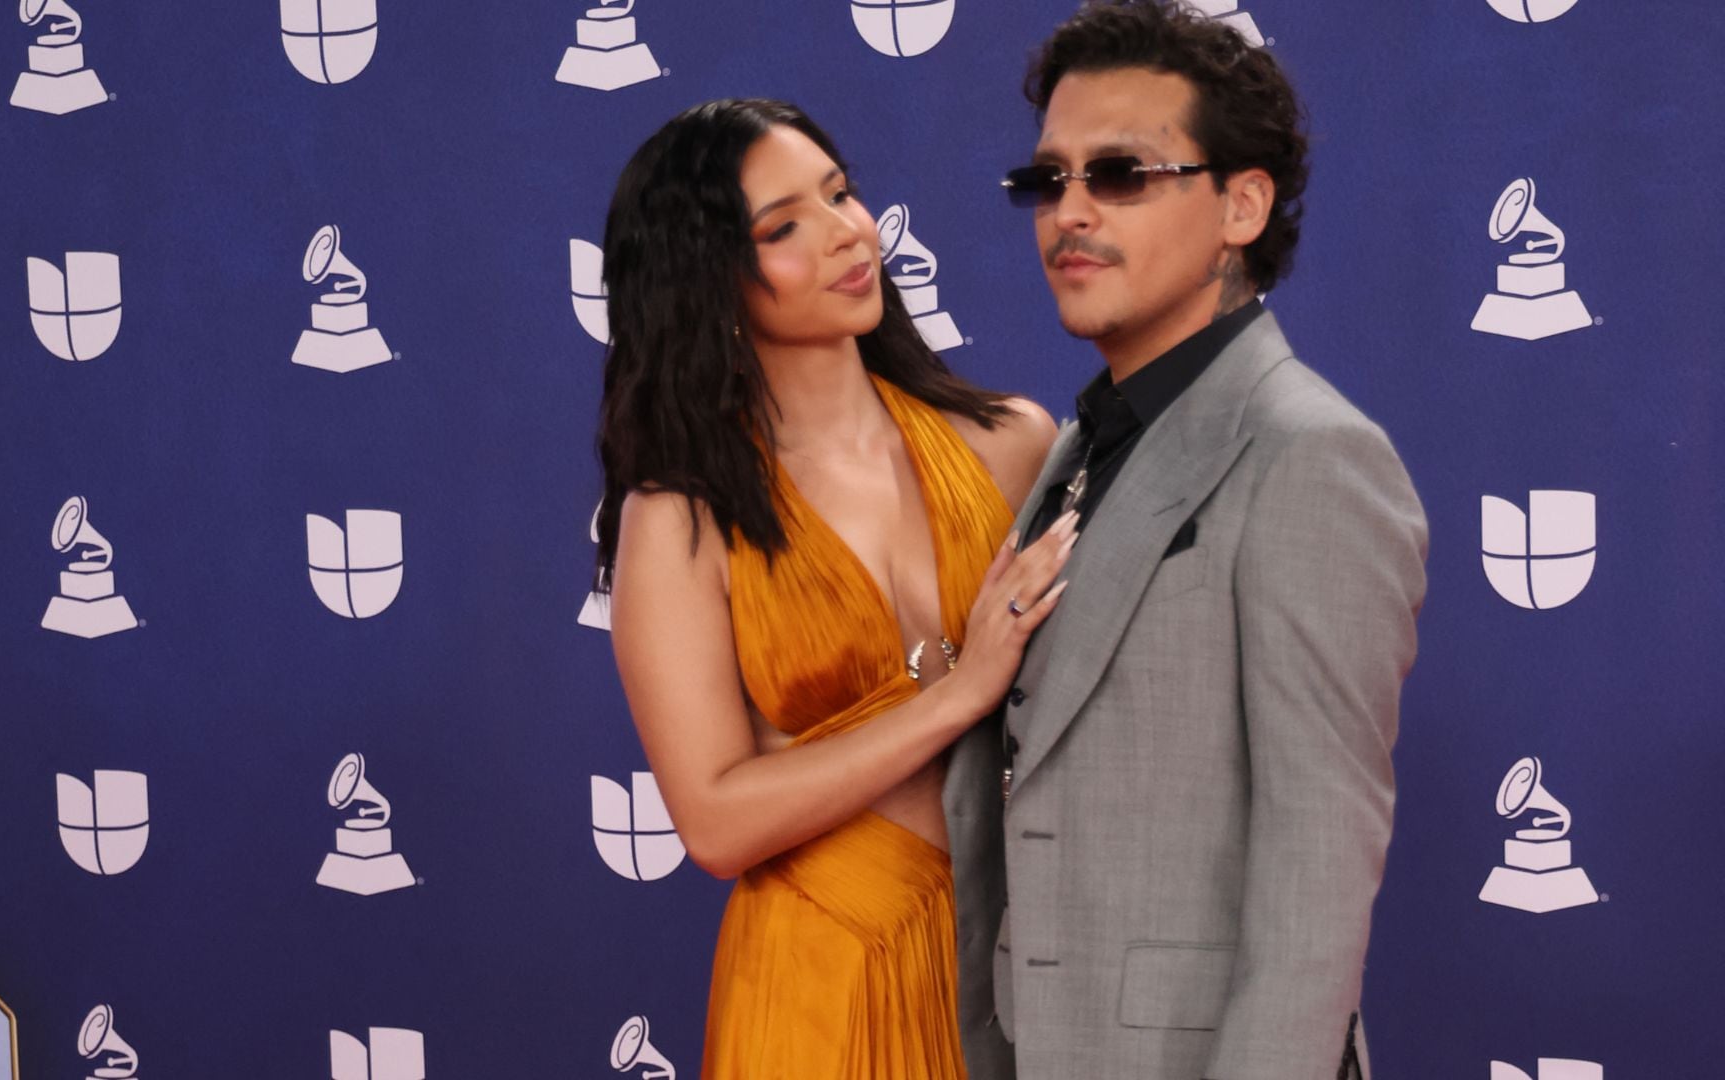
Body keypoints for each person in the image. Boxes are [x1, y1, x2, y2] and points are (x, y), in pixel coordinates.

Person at [942, 4, 1430, 1079]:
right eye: (1048, 180)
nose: (1069, 211)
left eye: (1120, 174)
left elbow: (1316, 877)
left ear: (1240, 205)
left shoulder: (1312, 457)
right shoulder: (1075, 444)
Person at [594, 98, 1068, 1079]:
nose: (848, 233)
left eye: (840, 193)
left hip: (1027, 967)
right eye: (782, 229)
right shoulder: (680, 518)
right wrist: (961, 693)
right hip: (821, 983)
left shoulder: (1013, 442)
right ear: (710, 281)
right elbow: (717, 822)